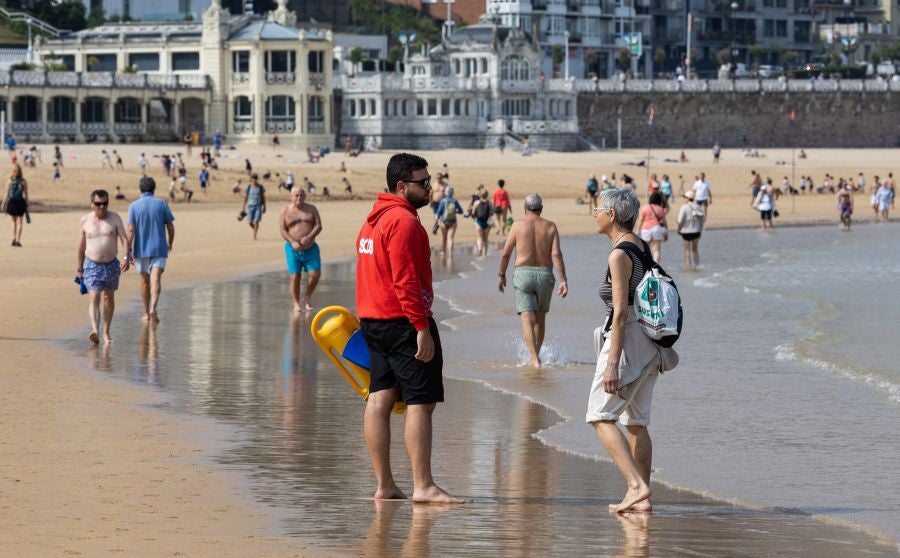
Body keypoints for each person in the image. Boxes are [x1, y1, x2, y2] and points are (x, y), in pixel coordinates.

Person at [355, 152, 463, 504]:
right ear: (402, 186)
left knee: (381, 397)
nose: (430, 187)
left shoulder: (373, 219)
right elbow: (404, 280)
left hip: (373, 320)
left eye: (429, 181)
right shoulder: (401, 221)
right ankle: (423, 486)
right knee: (421, 401)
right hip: (402, 320)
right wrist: (421, 326)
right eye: (423, 182)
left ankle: (385, 485)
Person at [586, 187, 678, 514]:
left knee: (599, 415)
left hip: (629, 342)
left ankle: (636, 486)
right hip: (650, 344)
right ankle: (643, 497)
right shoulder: (638, 246)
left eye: (597, 209)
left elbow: (622, 311)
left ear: (611, 215)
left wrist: (612, 364)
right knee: (637, 421)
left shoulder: (618, 254)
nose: (593, 214)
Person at [498, 193, 568, 369]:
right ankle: (536, 356)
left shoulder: (517, 226)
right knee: (540, 319)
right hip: (545, 275)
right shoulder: (550, 227)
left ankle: (534, 359)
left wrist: (501, 275)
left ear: (525, 209)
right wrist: (563, 280)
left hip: (523, 274)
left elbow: (506, 253)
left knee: (526, 319)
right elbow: (556, 254)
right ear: (541, 209)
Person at [77, 190, 131, 345]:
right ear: (92, 204)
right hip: (92, 264)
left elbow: (124, 240)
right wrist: (80, 268)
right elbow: (81, 247)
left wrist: (126, 257)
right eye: (98, 204)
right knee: (94, 296)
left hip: (111, 264)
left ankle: (106, 332)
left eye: (105, 203)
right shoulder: (85, 220)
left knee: (108, 297)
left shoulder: (114, 218)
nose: (102, 207)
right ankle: (95, 330)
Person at [126, 176, 175, 322]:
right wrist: (170, 242)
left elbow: (131, 230)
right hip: (159, 247)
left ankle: (146, 313)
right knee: (156, 278)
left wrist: (128, 249)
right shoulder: (162, 204)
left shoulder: (133, 206)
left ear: (140, 189)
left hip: (141, 249)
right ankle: (154, 307)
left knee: (144, 281)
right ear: (154, 189)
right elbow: (170, 226)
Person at [280, 187, 322, 313]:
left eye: (302, 195)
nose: (299, 198)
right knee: (295, 276)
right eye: (296, 195)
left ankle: (307, 296)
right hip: (292, 249)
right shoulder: (286, 211)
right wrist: (292, 242)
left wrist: (310, 237)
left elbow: (318, 226)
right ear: (291, 196)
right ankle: (296, 303)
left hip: (310, 247)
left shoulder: (311, 209)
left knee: (315, 274)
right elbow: (282, 230)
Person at [634, 192, 668, 262]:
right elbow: (665, 223)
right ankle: (656, 267)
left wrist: (637, 230)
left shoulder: (645, 208)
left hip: (645, 230)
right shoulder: (660, 209)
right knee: (656, 250)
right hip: (656, 229)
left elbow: (640, 221)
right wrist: (666, 233)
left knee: (646, 250)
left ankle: (647, 268)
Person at [676, 190, 705, 270]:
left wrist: (679, 229)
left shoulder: (684, 207)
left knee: (687, 250)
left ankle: (688, 267)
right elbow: (702, 220)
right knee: (695, 250)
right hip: (696, 231)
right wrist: (700, 229)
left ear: (688, 198)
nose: (684, 199)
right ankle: (697, 265)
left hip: (686, 231)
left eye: (685, 197)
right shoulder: (698, 206)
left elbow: (680, 220)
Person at [2, 165, 28, 247]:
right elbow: (26, 194)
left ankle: (13, 239)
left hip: (12, 203)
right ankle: (18, 240)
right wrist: (26, 203)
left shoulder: (10, 181)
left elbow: (6, 193)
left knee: (13, 222)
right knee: (19, 222)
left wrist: (3, 203)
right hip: (20, 203)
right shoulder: (23, 181)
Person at [435, 186, 463, 258]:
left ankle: (443, 252)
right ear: (452, 193)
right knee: (450, 238)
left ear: (446, 192)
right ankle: (450, 254)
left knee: (444, 237)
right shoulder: (454, 201)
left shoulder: (443, 201)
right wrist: (456, 211)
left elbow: (438, 213)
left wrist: (436, 221)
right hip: (453, 221)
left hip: (444, 222)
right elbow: (461, 211)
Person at [241, 173, 266, 240]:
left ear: (257, 179)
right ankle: (255, 229)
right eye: (253, 178)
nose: (254, 180)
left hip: (258, 206)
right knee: (249, 222)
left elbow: (263, 197)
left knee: (256, 220)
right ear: (251, 179)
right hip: (250, 206)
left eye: (255, 178)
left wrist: (264, 206)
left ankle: (254, 235)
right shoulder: (248, 187)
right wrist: (243, 208)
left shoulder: (260, 187)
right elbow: (245, 198)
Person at [471, 190, 493, 258]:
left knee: (479, 237)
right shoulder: (489, 202)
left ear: (480, 195)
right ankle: (484, 254)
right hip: (487, 222)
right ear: (487, 195)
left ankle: (480, 248)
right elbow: (492, 212)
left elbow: (473, 213)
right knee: (485, 238)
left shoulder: (476, 202)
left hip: (479, 222)